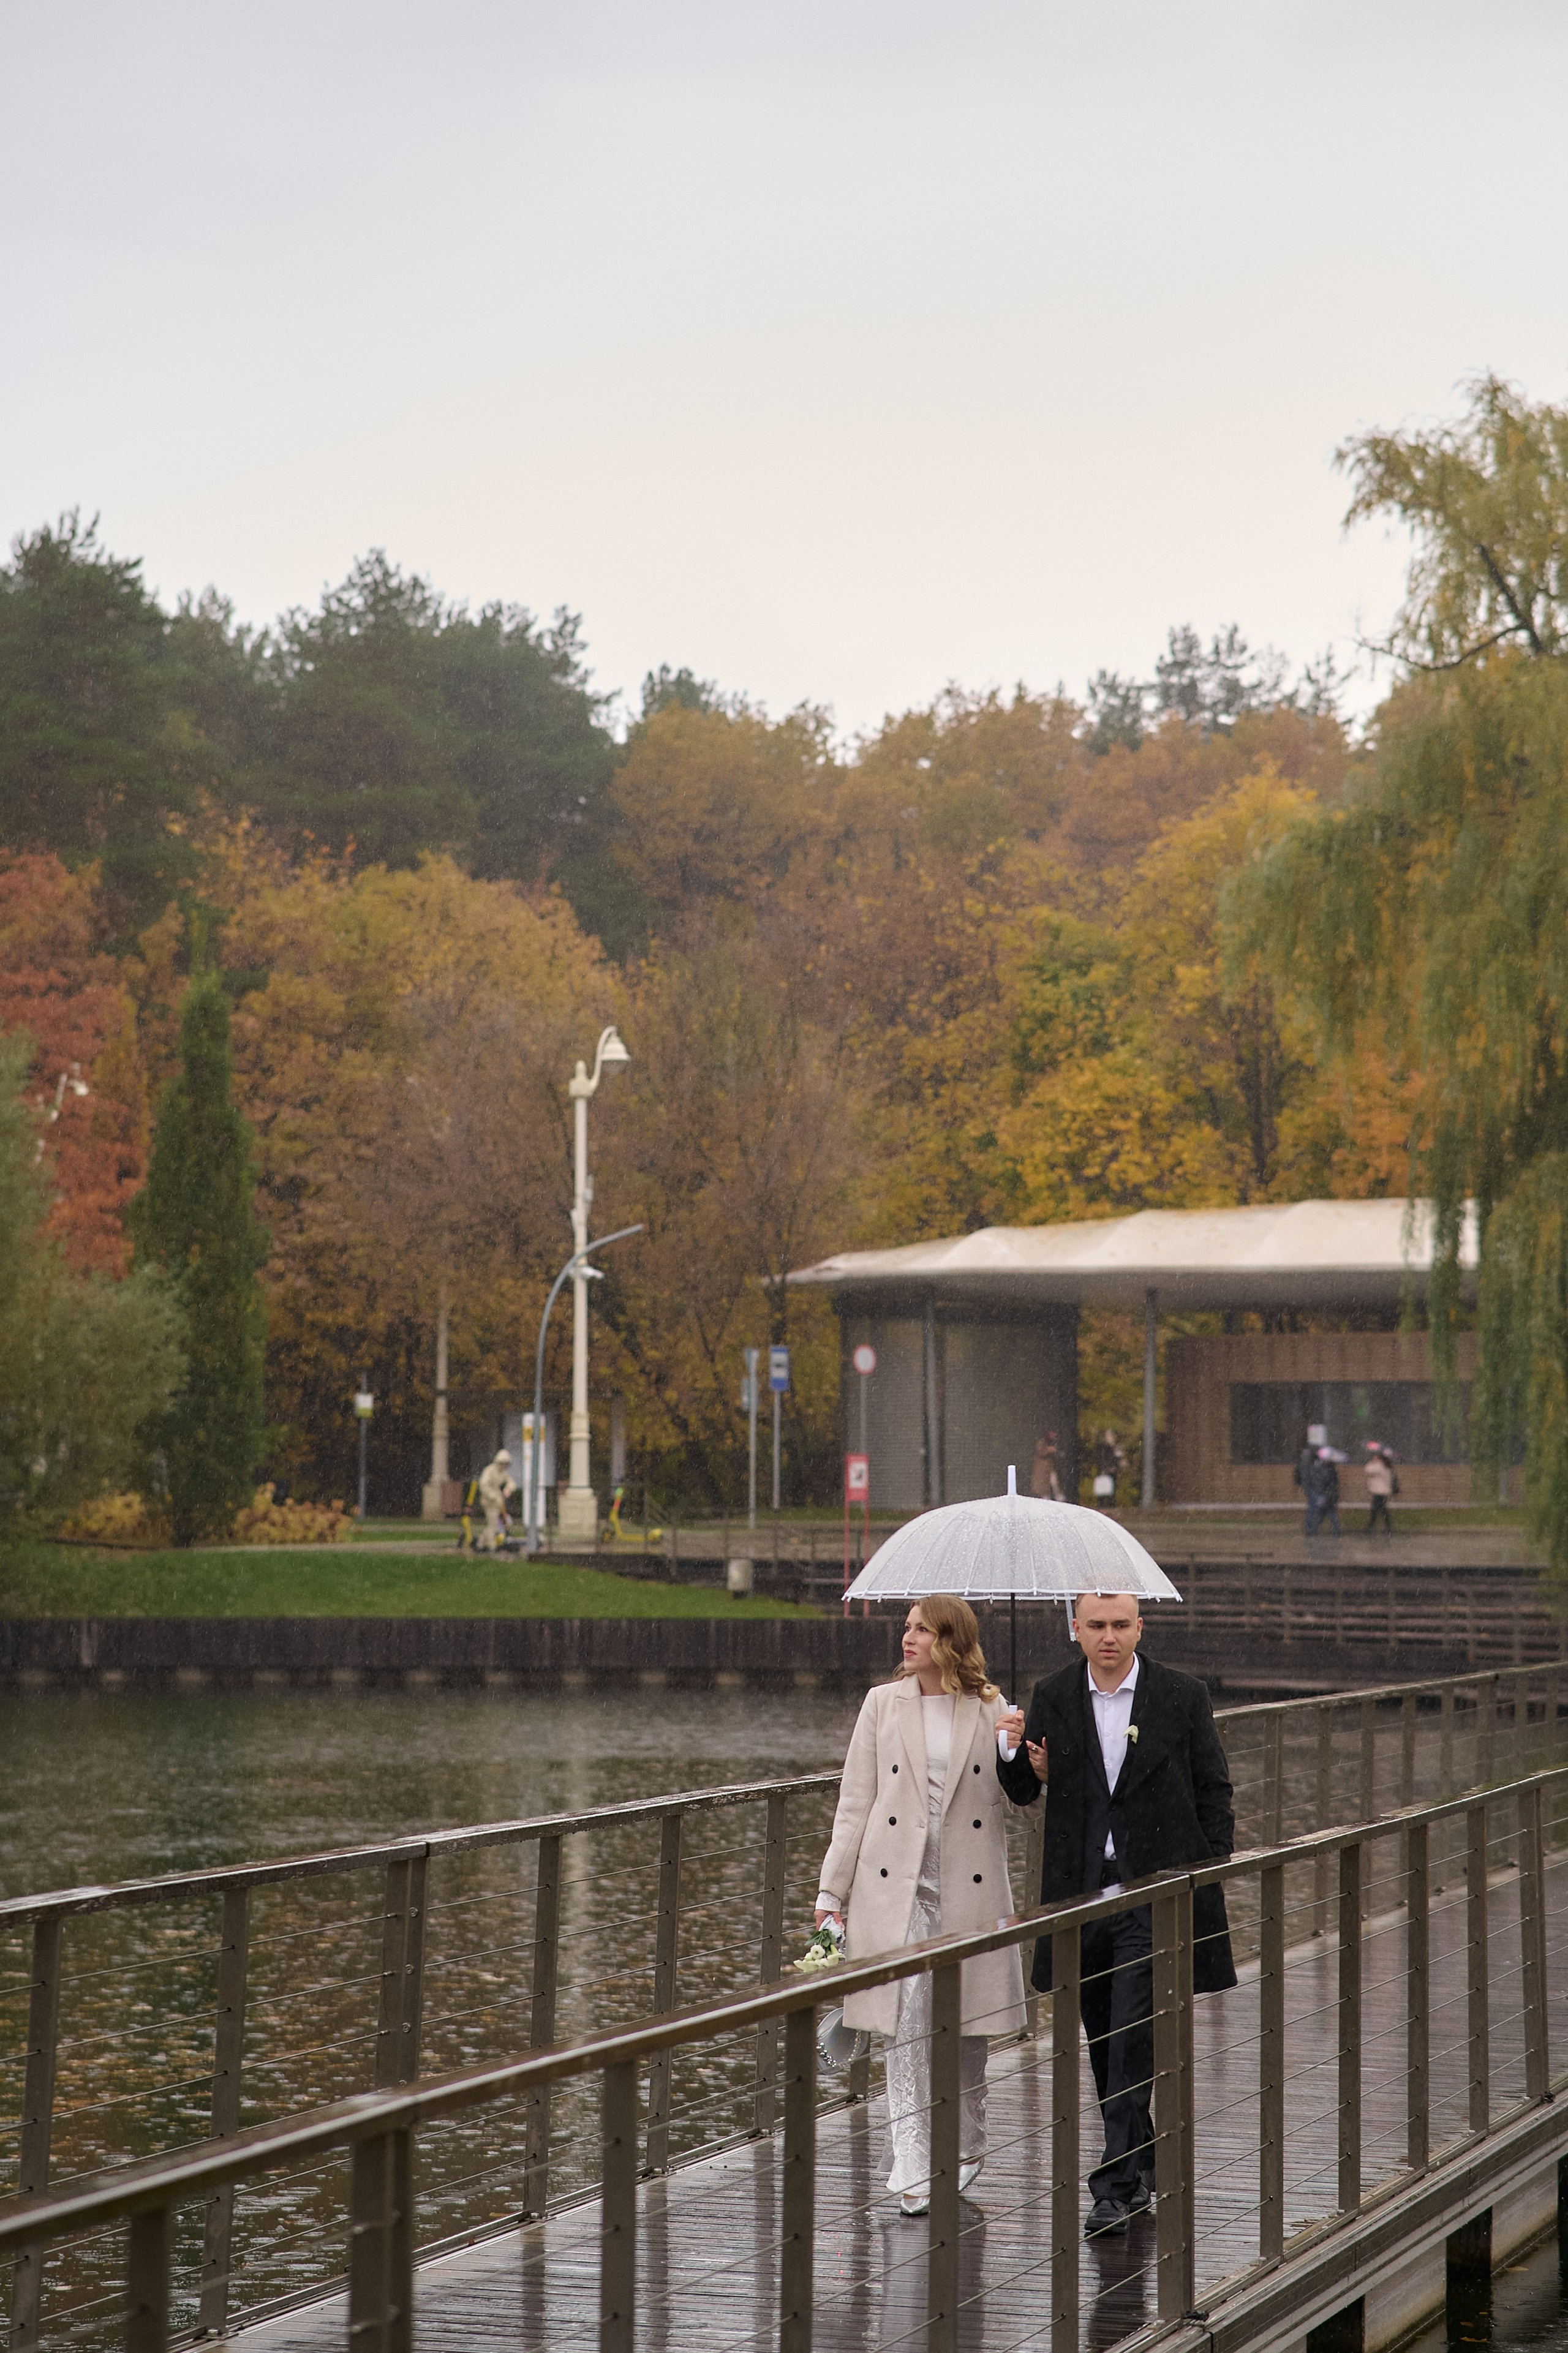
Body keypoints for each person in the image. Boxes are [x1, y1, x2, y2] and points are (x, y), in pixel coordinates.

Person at [997, 1592, 1235, 2238]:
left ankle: (1115, 2183)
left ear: (1139, 1627)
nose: (1108, 1636)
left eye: (1120, 1624)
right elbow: (1023, 1791)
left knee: (1134, 2026)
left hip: (1154, 1890)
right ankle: (1141, 2150)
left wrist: (1210, 1867)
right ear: (1075, 1629)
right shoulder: (1052, 1695)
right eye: (1095, 1625)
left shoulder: (1181, 1695)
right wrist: (1015, 1750)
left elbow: (1213, 1784)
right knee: (1103, 2034)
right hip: (1079, 1892)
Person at [816, 1595, 1027, 2218]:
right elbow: (855, 1800)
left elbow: (1014, 1800)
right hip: (894, 1884)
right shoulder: (883, 1703)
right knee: (906, 2023)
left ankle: (967, 2141)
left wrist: (1013, 1751)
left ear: (951, 1639)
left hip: (968, 1884)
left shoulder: (990, 1705)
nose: (906, 1638)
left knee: (964, 2030)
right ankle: (909, 2155)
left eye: (920, 1629)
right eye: (905, 1627)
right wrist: (832, 1894)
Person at [476, 1448, 517, 1551]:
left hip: (498, 1503)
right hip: (489, 1502)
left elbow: (512, 1483)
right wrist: (493, 1496)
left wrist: (508, 1489)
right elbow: (483, 1485)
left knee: (494, 1524)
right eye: (504, 1463)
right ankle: (491, 1546)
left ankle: (480, 1544)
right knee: (493, 1525)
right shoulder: (490, 1471)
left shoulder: (503, 1473)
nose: (505, 1466)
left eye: (507, 1464)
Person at [1305, 1447, 1341, 1538]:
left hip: (1324, 1494)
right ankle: (1334, 1530)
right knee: (1327, 1513)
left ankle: (1314, 1530)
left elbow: (1326, 1483)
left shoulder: (1325, 1468)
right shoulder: (1328, 1468)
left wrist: (1324, 1494)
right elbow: (1331, 1482)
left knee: (1323, 1513)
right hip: (1325, 1494)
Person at [1364, 1443, 1396, 1537]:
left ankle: (1370, 1528)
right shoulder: (1387, 1466)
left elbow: (1367, 1469)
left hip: (1379, 1492)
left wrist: (1373, 1462)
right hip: (1383, 1492)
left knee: (1376, 1510)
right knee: (1382, 1510)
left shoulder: (1379, 1465)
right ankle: (1387, 1528)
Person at [1093, 1429, 1125, 1508]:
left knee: (1111, 1493)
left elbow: (1119, 1459)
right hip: (1104, 1472)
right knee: (1102, 1493)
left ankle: (1110, 1508)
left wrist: (1116, 1466)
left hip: (1113, 1473)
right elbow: (1101, 1460)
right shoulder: (1103, 1448)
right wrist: (1106, 1468)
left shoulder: (1116, 1447)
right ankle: (1102, 1508)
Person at [1031, 1429, 1065, 1501]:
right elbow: (1041, 1452)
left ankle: (1060, 1499)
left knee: (1055, 1484)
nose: (1054, 1436)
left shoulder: (1053, 1443)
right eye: (1052, 1434)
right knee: (1044, 1488)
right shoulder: (1042, 1442)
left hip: (1051, 1469)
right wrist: (1049, 1450)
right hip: (1043, 1470)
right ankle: (1046, 1500)